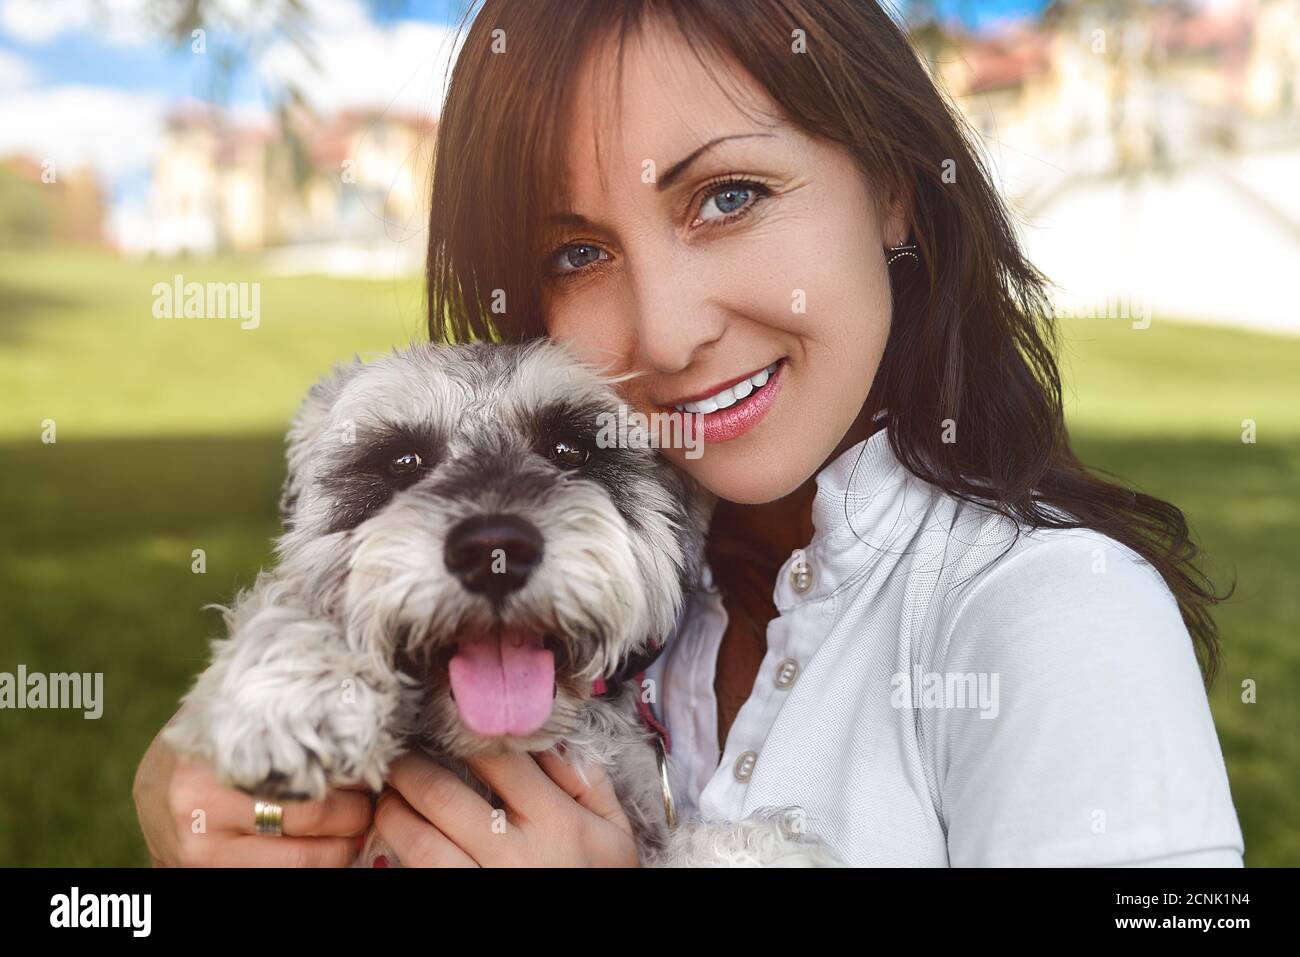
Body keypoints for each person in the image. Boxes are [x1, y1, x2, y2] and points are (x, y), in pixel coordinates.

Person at [134, 0, 1244, 867]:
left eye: (728, 196)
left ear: (895, 191)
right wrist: (225, 793)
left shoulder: (1052, 620)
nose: (665, 334)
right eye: (575, 251)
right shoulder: (648, 566)